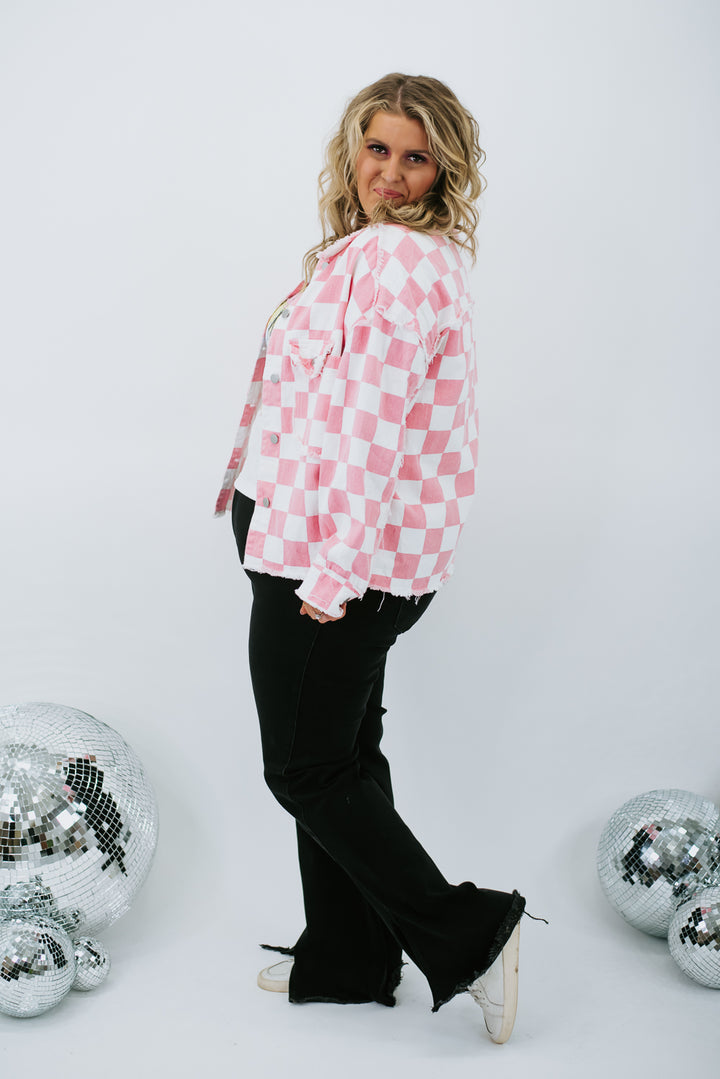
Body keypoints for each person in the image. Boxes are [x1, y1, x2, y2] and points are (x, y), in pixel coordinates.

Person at [216, 73, 528, 1044]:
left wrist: (333, 574)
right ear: (352, 151)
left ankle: (473, 935)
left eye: (416, 156)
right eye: (377, 148)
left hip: (329, 559)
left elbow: (371, 434)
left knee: (305, 769)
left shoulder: (394, 261)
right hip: (318, 542)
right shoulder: (378, 251)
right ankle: (350, 958)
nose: (390, 173)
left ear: (445, 170)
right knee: (346, 756)